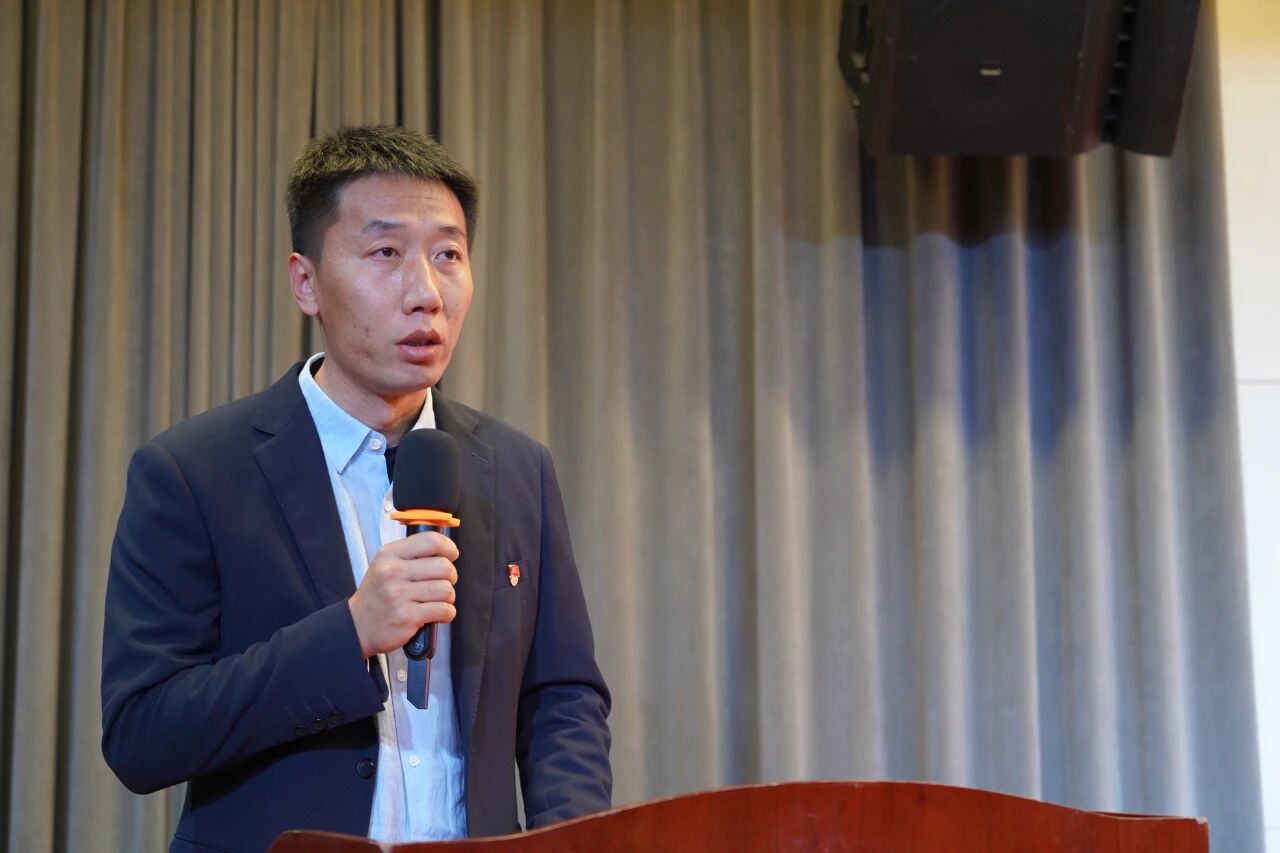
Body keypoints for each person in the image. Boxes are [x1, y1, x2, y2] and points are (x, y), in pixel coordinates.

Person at [101, 125, 612, 852]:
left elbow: (562, 697)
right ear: (305, 282)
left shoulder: (517, 467)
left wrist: (569, 841)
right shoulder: (193, 471)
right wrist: (350, 632)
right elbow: (141, 733)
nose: (426, 294)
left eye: (448, 255)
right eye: (385, 254)